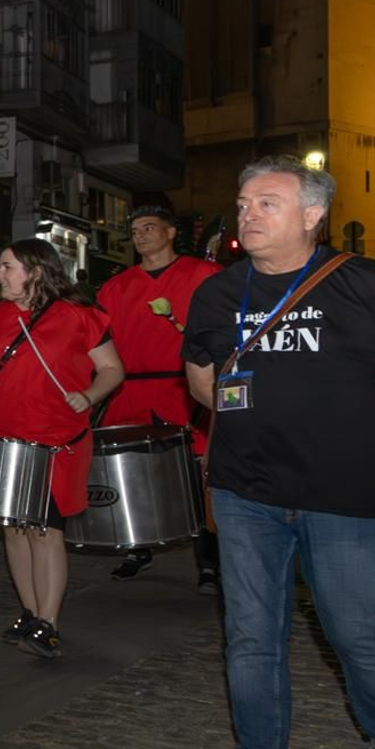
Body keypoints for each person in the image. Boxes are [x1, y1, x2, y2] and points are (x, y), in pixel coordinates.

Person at [182, 156, 375, 749]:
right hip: (245, 491)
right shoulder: (220, 294)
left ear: (312, 214)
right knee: (251, 637)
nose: (247, 214)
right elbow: (202, 381)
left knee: (354, 629)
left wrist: (357, 434)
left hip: (339, 493)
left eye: (267, 202)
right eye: (243, 202)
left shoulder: (370, 286)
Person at [0, 239, 124, 660]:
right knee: (13, 528)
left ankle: (49, 621)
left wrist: (90, 395)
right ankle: (29, 611)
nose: (0, 275)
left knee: (45, 531)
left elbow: (113, 368)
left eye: (8, 267)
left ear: (36, 271)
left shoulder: (79, 317)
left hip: (56, 440)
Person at [95, 206, 223, 587]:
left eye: (149, 227)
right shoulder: (115, 287)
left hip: (184, 387)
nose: (140, 235)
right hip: (130, 388)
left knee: (199, 473)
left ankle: (209, 561)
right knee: (131, 474)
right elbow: (97, 338)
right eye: (135, 230)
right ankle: (137, 546)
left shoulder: (204, 275)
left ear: (170, 233)